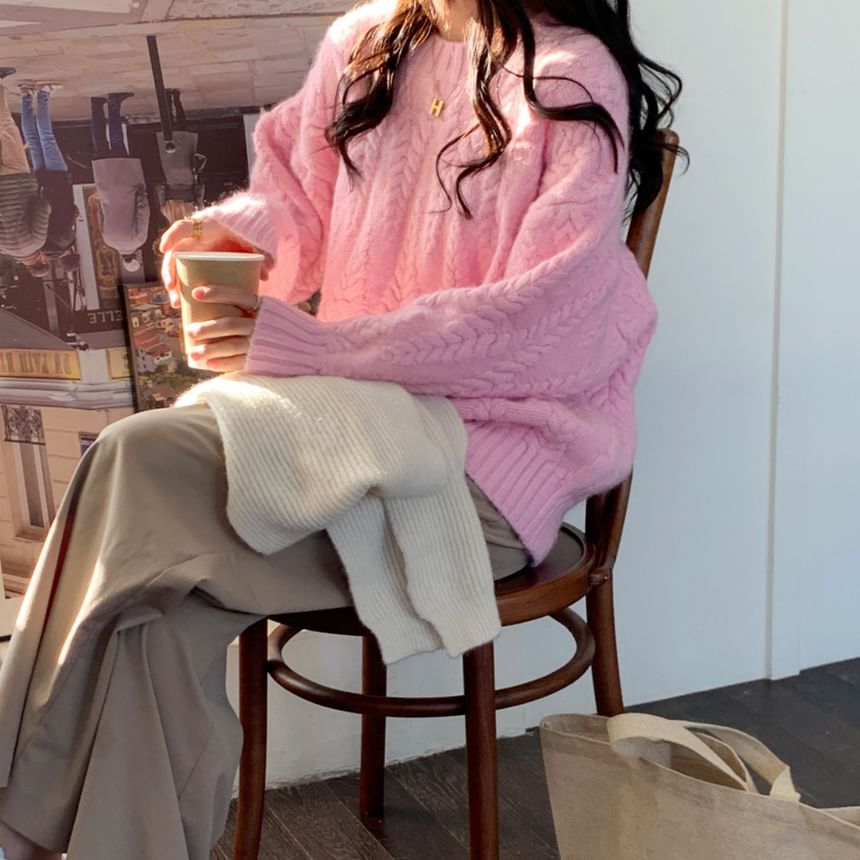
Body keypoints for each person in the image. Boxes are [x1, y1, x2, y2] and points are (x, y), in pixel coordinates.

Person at [0, 0, 684, 857]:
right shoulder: (367, 41)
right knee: (154, 626)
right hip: (351, 435)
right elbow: (296, 198)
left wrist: (313, 346)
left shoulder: (569, 79)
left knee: (134, 454)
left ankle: (12, 804)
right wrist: (237, 238)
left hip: (482, 474)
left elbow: (540, 328)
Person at [18, 81, 79, 258]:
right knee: (33, 141)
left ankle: (43, 94)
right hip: (40, 183)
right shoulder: (39, 240)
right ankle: (26, 96)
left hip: (59, 182)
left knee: (47, 138)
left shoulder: (65, 239)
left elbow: (73, 212)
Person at [90, 91, 150, 265]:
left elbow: (143, 213)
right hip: (105, 188)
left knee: (117, 142)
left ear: (136, 256)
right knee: (100, 144)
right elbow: (100, 215)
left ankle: (114, 104)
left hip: (126, 186)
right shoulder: (108, 240)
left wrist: (142, 194)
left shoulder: (138, 240)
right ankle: (96, 106)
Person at [0, 68, 50, 270]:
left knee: (7, 129)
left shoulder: (36, 242)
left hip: (18, 179)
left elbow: (42, 208)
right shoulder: (3, 247)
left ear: (41, 259)